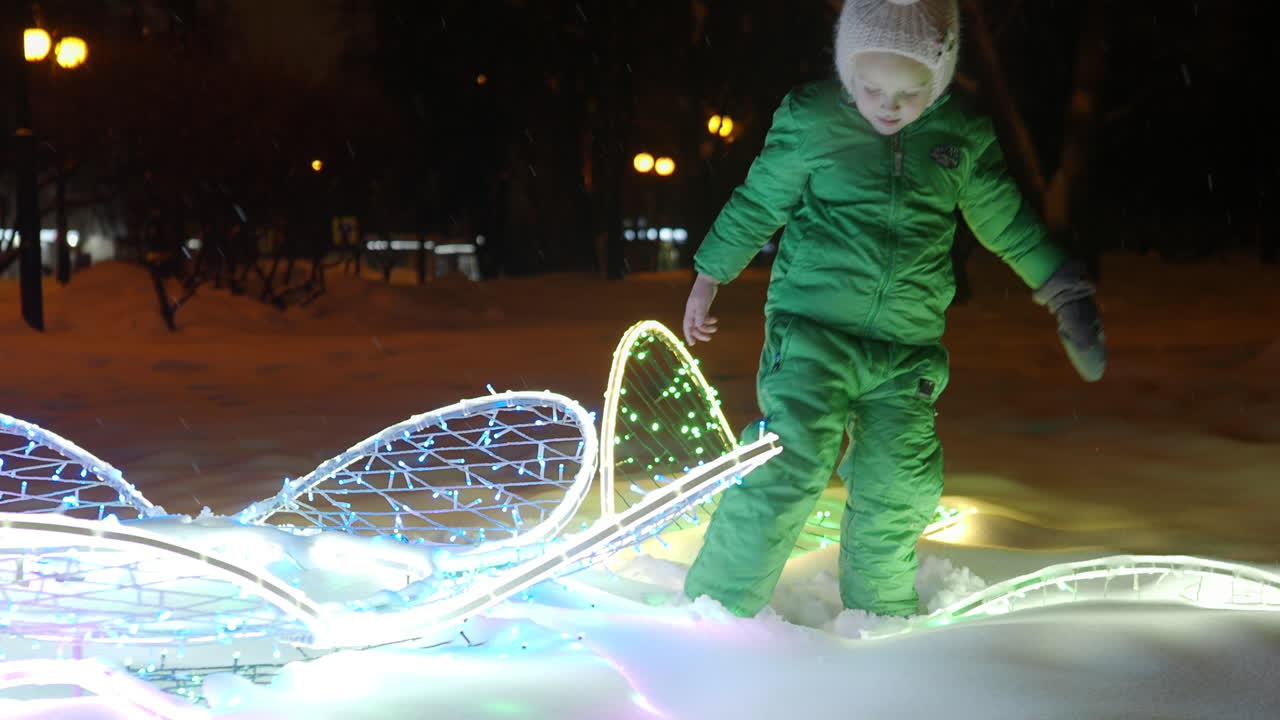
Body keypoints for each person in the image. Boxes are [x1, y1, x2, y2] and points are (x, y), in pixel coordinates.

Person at [680, 0, 1105, 619]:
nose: (888, 106)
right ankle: (716, 609)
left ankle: (880, 617)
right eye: (871, 89)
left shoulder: (959, 137)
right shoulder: (813, 120)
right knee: (791, 462)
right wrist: (709, 276)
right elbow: (759, 201)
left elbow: (1007, 222)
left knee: (899, 484)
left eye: (909, 93)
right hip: (812, 335)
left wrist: (1063, 288)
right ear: (847, 69)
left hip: (906, 353)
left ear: (940, 77)